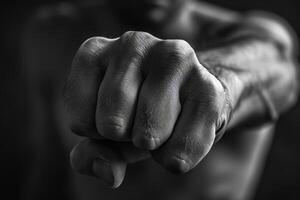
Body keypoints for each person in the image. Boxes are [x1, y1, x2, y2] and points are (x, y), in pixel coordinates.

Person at [21, 0, 299, 199]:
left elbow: (273, 69)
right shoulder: (52, 34)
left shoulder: (259, 38)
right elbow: (50, 168)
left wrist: (216, 85)